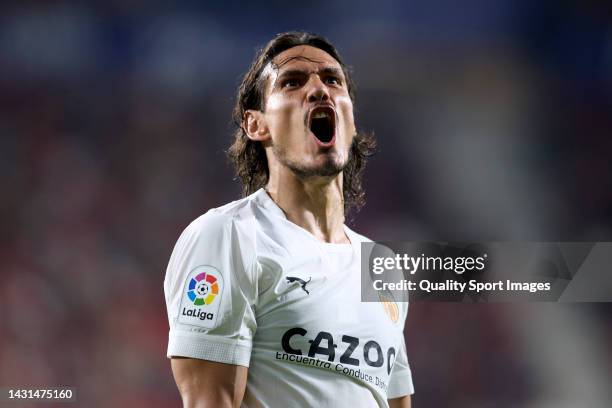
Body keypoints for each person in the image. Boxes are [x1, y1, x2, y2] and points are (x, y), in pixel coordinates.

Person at [164, 31, 414, 408]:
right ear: (255, 124)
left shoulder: (380, 267)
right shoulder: (230, 237)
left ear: (351, 118)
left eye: (332, 79)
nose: (318, 90)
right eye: (292, 82)